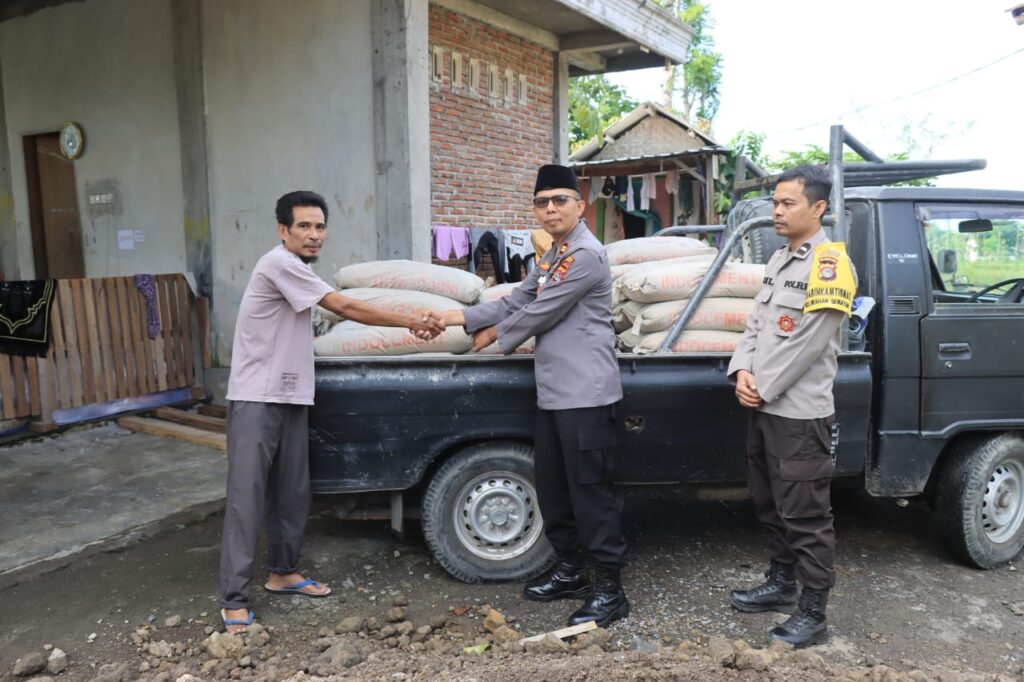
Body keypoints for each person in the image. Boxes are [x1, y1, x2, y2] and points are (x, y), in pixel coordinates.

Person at [220, 190, 443, 634]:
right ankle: (234, 599)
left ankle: (282, 572)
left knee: (292, 492)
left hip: (291, 396)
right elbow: (343, 306)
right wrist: (411, 321)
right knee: (247, 499)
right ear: (283, 231)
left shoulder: (299, 271)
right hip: (257, 398)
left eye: (320, 226)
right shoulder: (280, 264)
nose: (313, 234)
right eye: (303, 226)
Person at [437, 165, 628, 628]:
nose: (549, 209)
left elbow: (540, 311)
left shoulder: (586, 254)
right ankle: (569, 570)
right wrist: (457, 319)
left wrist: (490, 337)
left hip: (586, 395)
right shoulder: (553, 255)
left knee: (590, 494)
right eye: (542, 202)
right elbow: (514, 299)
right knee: (554, 489)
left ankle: (609, 590)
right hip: (555, 395)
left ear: (579, 205)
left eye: (559, 200)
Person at [726, 165, 858, 647]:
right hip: (765, 407)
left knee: (805, 513)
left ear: (818, 208)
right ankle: (781, 585)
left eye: (788, 203)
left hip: (799, 414)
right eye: (775, 202)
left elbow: (809, 341)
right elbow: (756, 325)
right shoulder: (781, 259)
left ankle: (812, 612)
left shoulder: (830, 264)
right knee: (769, 502)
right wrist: (742, 370)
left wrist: (763, 385)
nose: (776, 211)